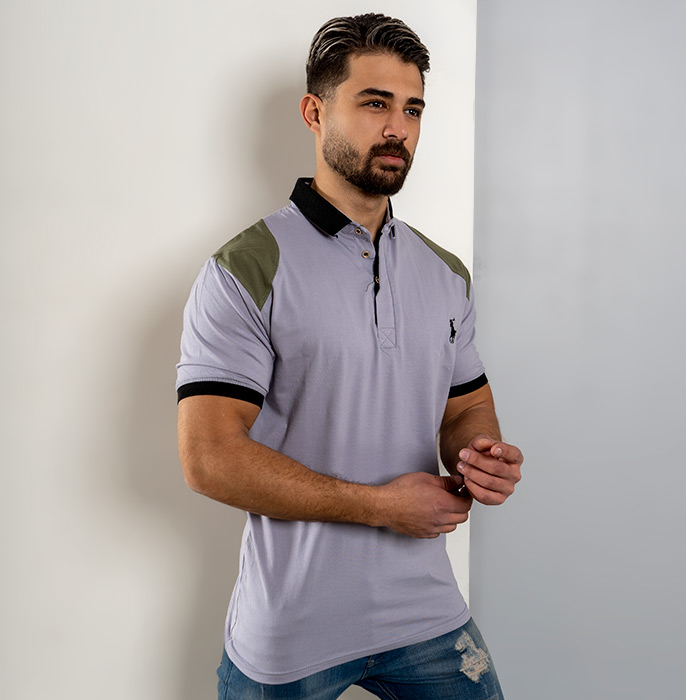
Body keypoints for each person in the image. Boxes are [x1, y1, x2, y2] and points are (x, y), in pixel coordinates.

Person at [177, 13, 523, 700]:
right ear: (315, 112)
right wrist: (381, 507)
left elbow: (466, 405)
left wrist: (478, 453)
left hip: (426, 615)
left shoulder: (445, 274)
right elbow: (208, 458)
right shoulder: (245, 269)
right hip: (290, 633)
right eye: (375, 103)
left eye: (412, 109)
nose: (398, 127)